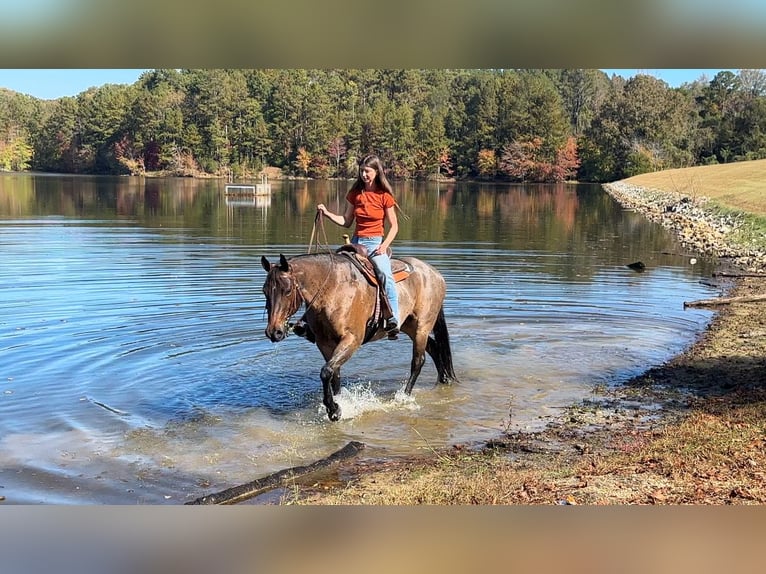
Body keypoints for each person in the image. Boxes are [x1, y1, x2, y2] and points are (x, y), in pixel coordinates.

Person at [317, 154, 400, 338]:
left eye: (367, 171)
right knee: (334, 271)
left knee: (385, 274)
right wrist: (327, 213)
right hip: (356, 243)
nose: (363, 174)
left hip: (376, 243)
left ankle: (394, 319)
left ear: (377, 172)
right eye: (361, 171)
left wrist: (384, 246)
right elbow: (346, 221)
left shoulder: (384, 196)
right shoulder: (355, 194)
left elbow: (394, 226)